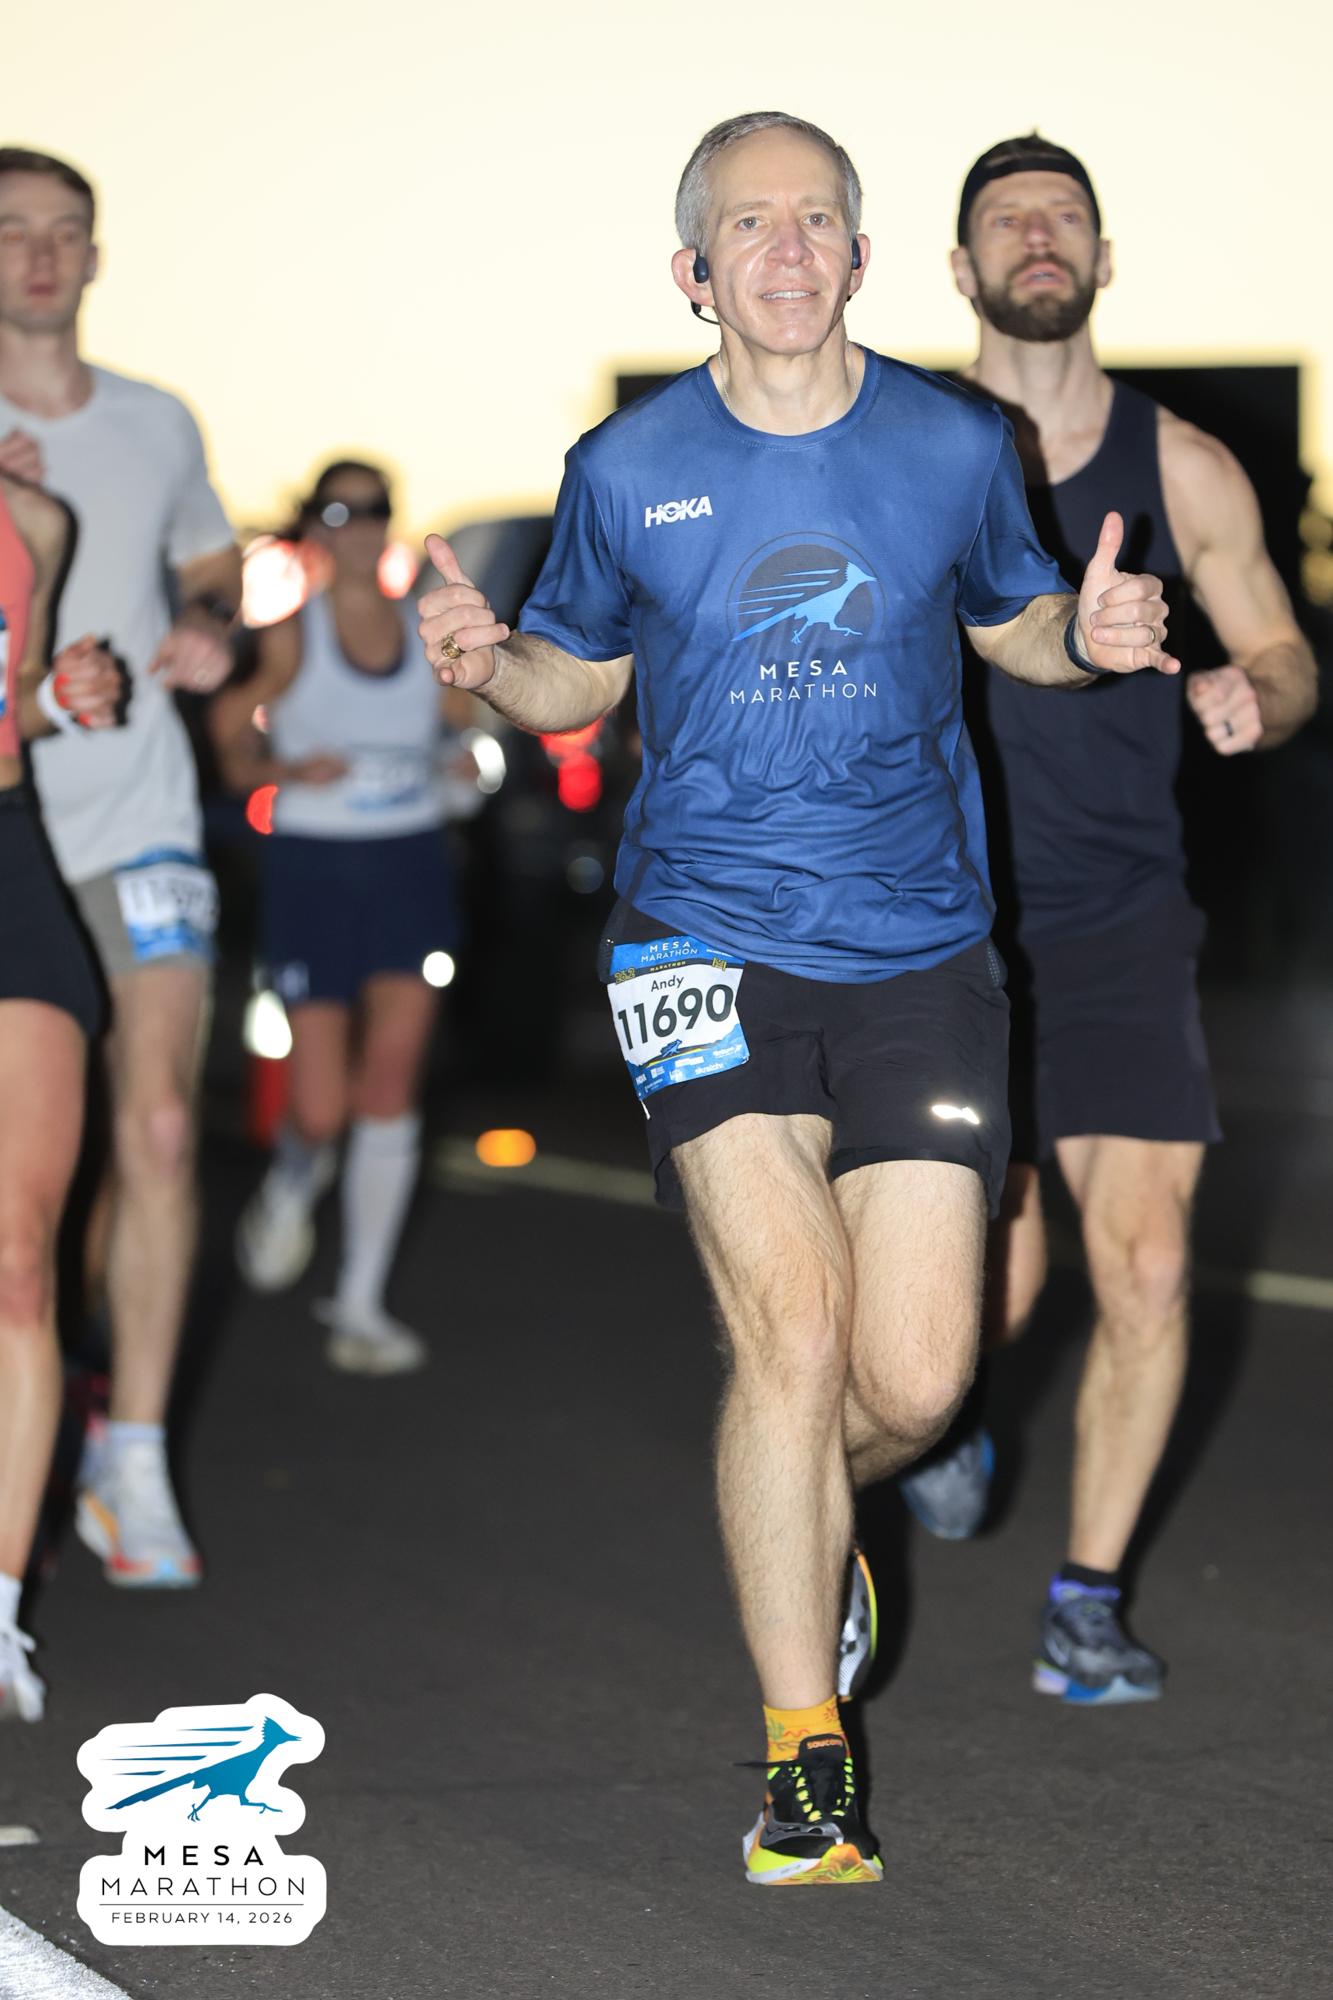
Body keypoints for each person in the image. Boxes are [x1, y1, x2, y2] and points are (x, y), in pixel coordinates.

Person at [417, 111, 1176, 1882]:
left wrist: (1087, 642)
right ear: (693, 273)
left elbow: (1011, 623)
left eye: (815, 219)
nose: (783, 248)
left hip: (918, 951)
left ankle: (806, 1498)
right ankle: (800, 1764)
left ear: (857, 255)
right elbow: (576, 679)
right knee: (792, 1332)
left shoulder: (949, 442)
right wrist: (492, 668)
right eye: (747, 225)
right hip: (697, 943)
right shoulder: (627, 466)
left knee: (914, 1380)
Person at [924, 134, 1317, 1701]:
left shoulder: (1184, 465)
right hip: (939, 925)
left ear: (1101, 256)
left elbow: (1283, 650)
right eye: (1006, 217)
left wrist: (1256, 693)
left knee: (1147, 1267)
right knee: (995, 1291)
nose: (1039, 233)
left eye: (1064, 215)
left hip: (1120, 921)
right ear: (959, 268)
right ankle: (939, 1415)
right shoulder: (908, 449)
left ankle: (1083, 1602)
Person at [0, 146, 242, 1587]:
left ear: (95, 258)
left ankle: (130, 1460)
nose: (40, 255)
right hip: (13, 814)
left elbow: (211, 567)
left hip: (139, 819)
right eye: (12, 230)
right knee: (37, 1185)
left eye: (64, 232)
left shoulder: (156, 423)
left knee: (155, 1127)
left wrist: (211, 627)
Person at [213, 460, 465, 1374]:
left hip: (409, 864)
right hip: (314, 870)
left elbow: (467, 717)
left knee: (390, 1083)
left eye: (374, 509)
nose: (358, 525)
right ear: (315, 526)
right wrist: (282, 770)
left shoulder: (421, 628)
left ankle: (359, 1304)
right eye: (339, 509)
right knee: (319, 1106)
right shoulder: (292, 634)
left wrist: (461, 753)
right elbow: (230, 740)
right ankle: (292, 1176)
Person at [0, 469, 121, 1717]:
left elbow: (14, 698)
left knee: (20, 1262)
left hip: (8, 858)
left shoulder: (32, 517)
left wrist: (54, 696)